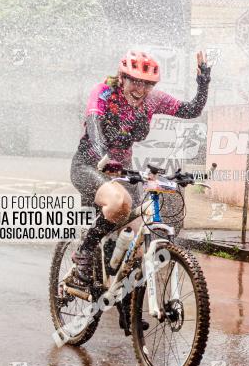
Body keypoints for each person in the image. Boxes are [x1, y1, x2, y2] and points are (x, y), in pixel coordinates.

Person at [63, 50, 211, 294]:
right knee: (120, 203)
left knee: (139, 235)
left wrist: (203, 80)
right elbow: (93, 123)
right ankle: (84, 254)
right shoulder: (104, 92)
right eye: (134, 81)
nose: (140, 89)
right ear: (122, 77)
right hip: (89, 165)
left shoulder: (154, 100)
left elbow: (192, 110)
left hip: (122, 170)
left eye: (147, 84)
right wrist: (103, 156)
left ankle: (126, 299)